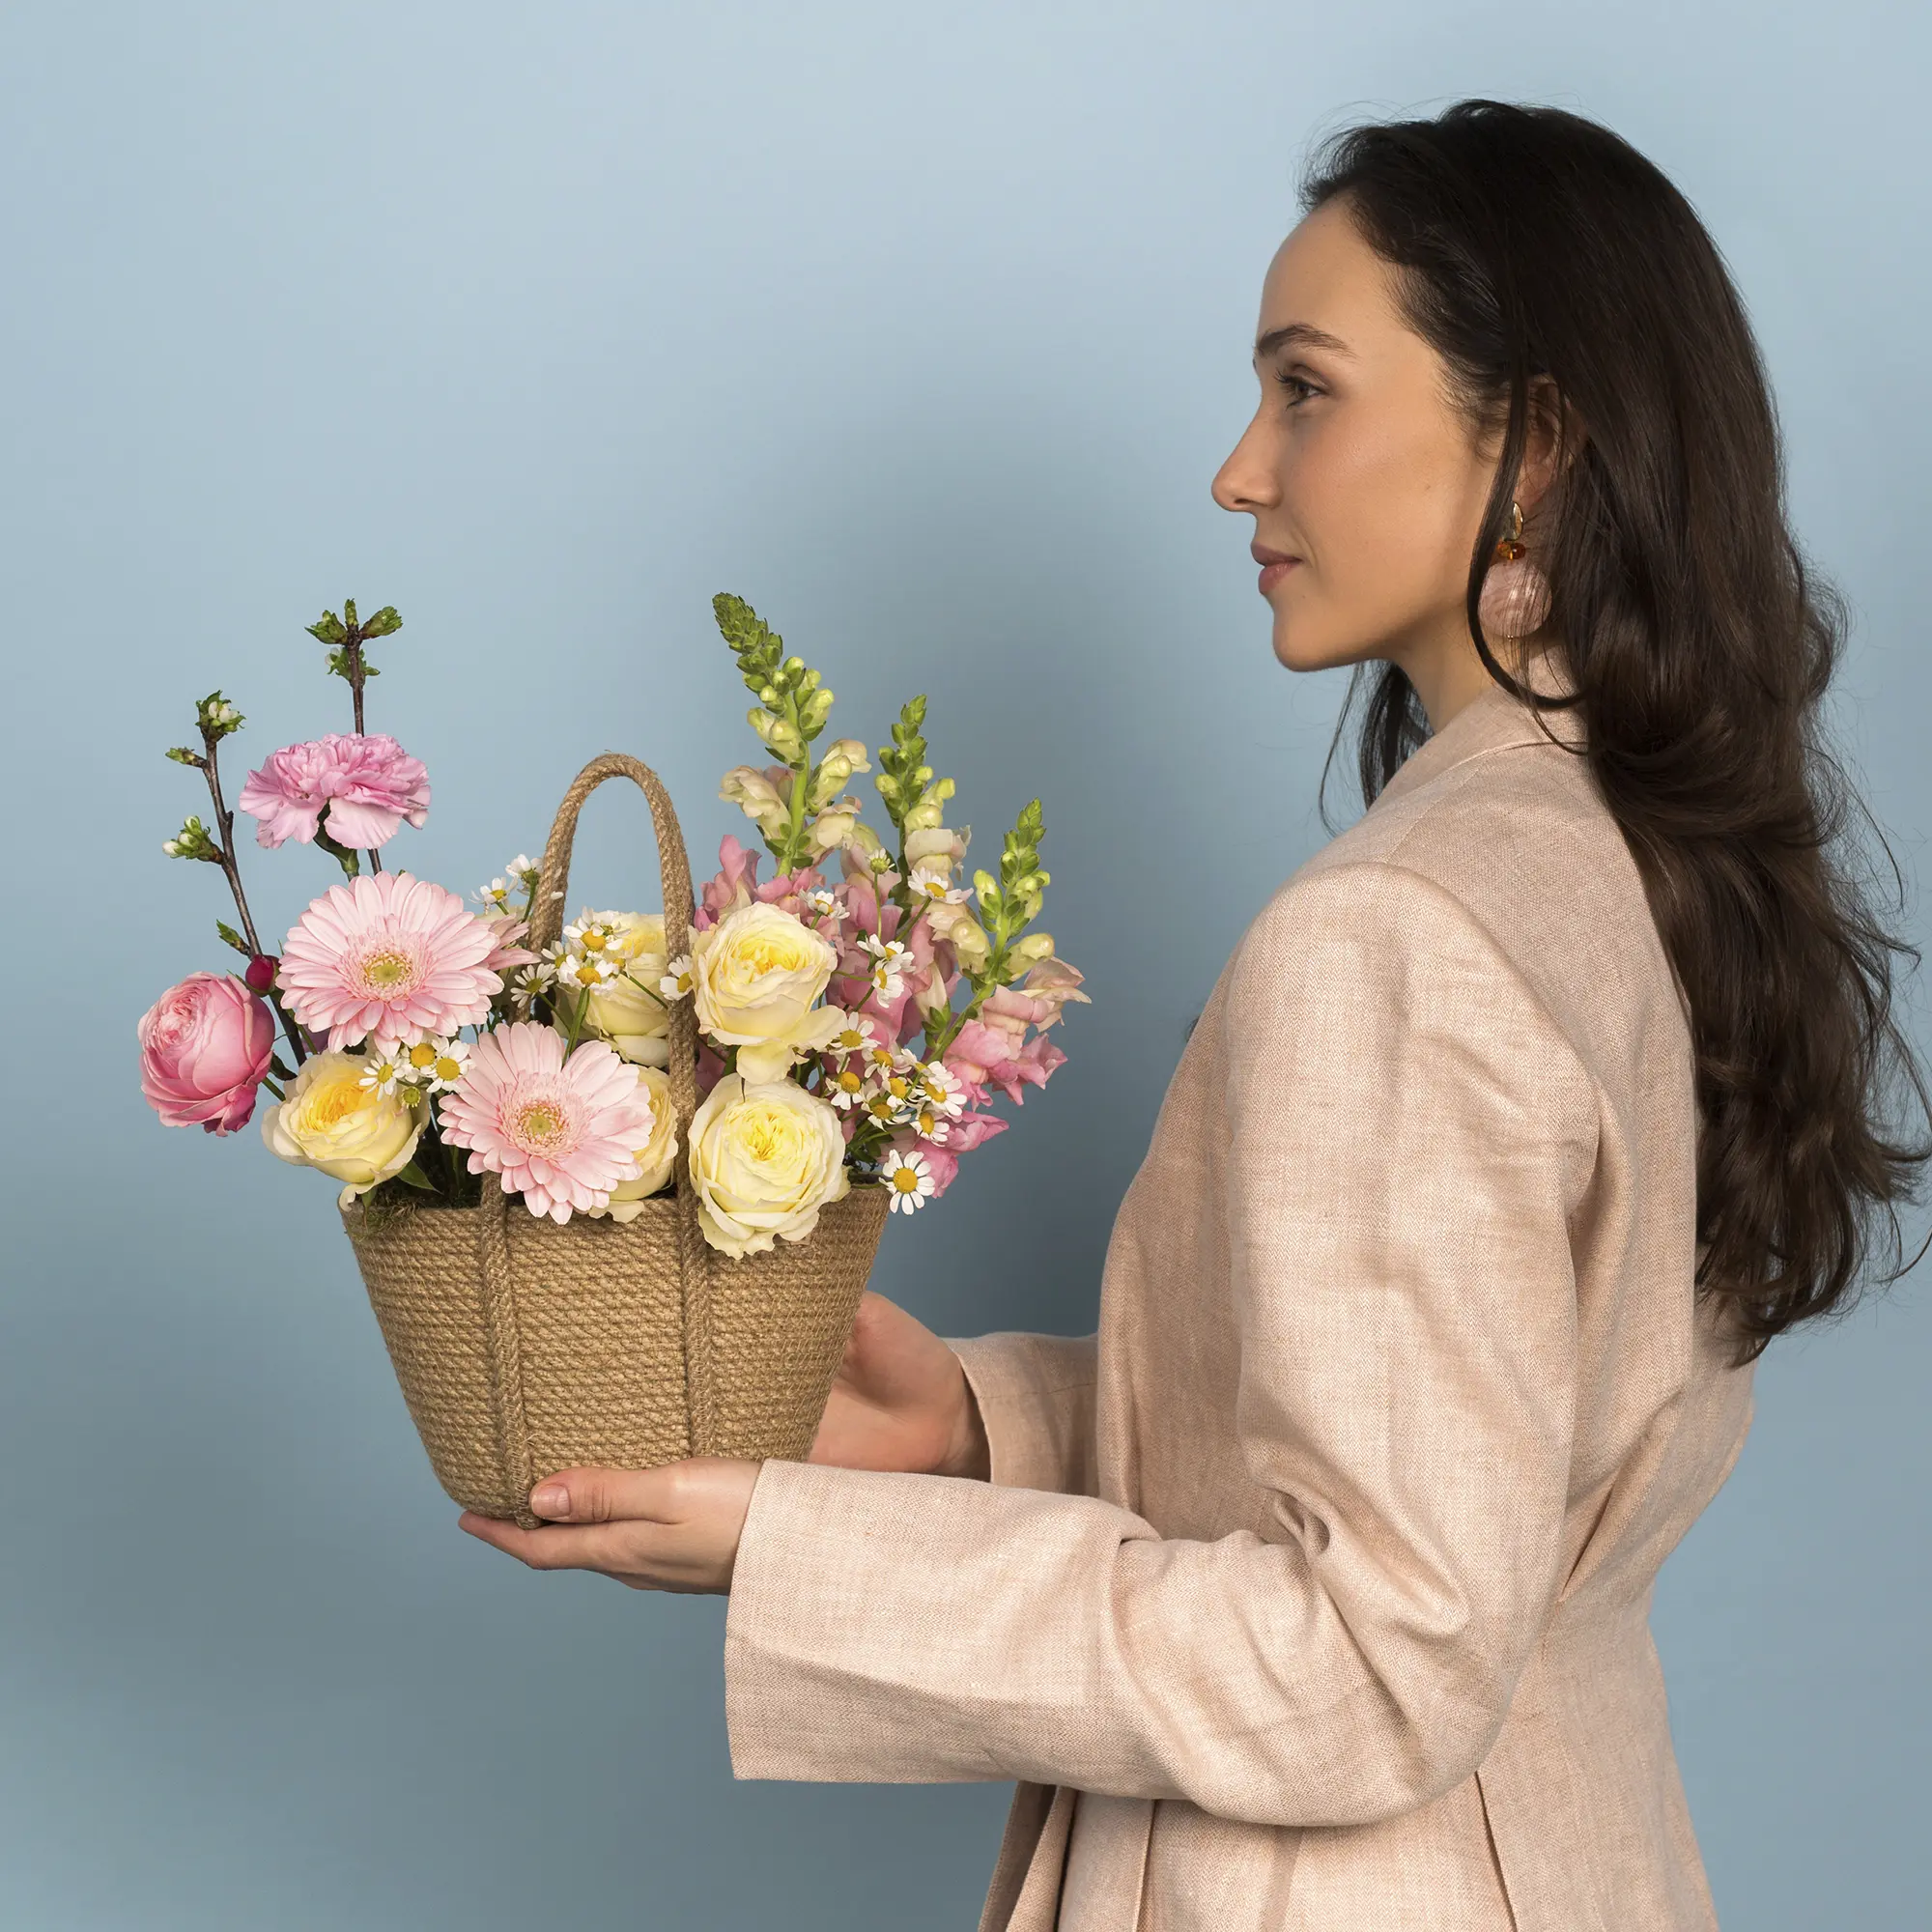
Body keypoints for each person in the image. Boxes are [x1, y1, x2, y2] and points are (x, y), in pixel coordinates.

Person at [457, 99, 1932, 1929]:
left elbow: (1371, 1667)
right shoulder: (1639, 854)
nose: (1242, 472)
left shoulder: (1401, 932)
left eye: (1307, 390)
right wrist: (984, 1427)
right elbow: (1482, 1457)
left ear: (1540, 443)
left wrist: (806, 1551)